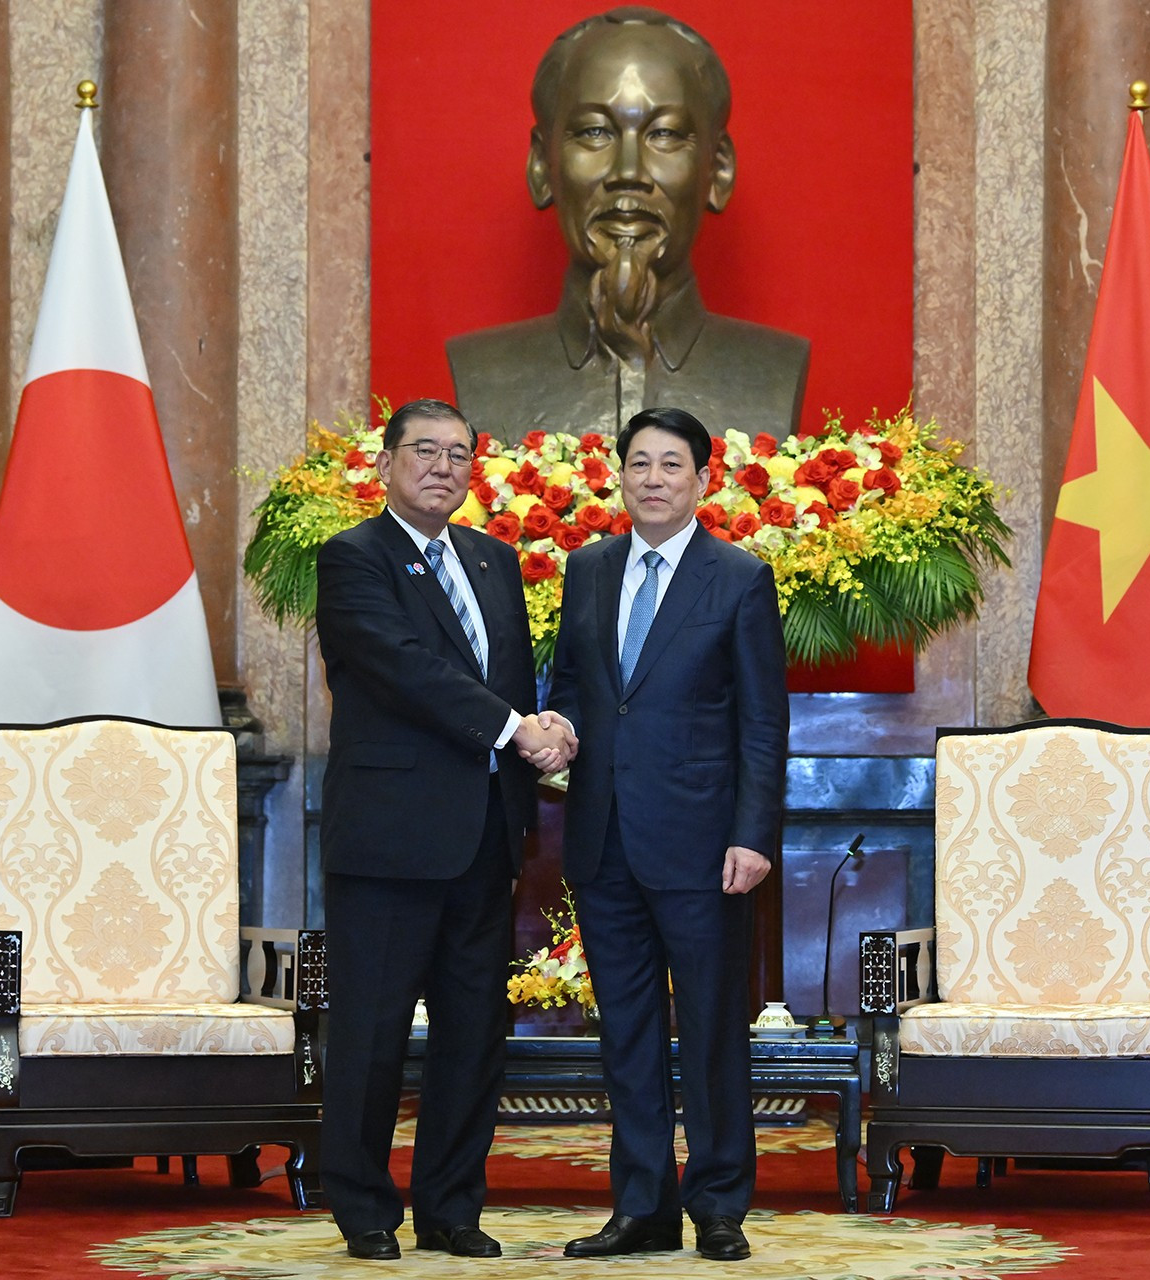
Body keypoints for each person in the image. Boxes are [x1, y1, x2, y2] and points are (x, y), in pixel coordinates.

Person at [313, 398, 576, 1261]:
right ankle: (363, 1209)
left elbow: (505, 679)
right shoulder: (353, 558)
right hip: (390, 840)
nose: (441, 466)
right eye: (422, 450)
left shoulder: (495, 562)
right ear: (384, 465)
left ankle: (452, 1207)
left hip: (484, 838)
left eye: (458, 454)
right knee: (372, 1033)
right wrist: (515, 728)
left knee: (474, 1036)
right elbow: (403, 669)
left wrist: (549, 726)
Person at [544, 406, 789, 1261]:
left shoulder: (739, 578)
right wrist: (559, 728)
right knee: (628, 1032)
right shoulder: (588, 568)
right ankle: (641, 1207)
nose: (653, 478)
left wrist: (753, 834)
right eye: (639, 463)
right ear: (620, 475)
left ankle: (719, 1203)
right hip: (604, 839)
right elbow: (574, 681)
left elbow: (763, 722)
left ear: (702, 479)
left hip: (703, 844)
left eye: (671, 464)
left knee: (714, 1030)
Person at [447, 7, 808, 439]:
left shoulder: (775, 370)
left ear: (718, 170)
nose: (629, 172)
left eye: (665, 134)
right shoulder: (483, 371)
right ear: (542, 166)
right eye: (595, 132)